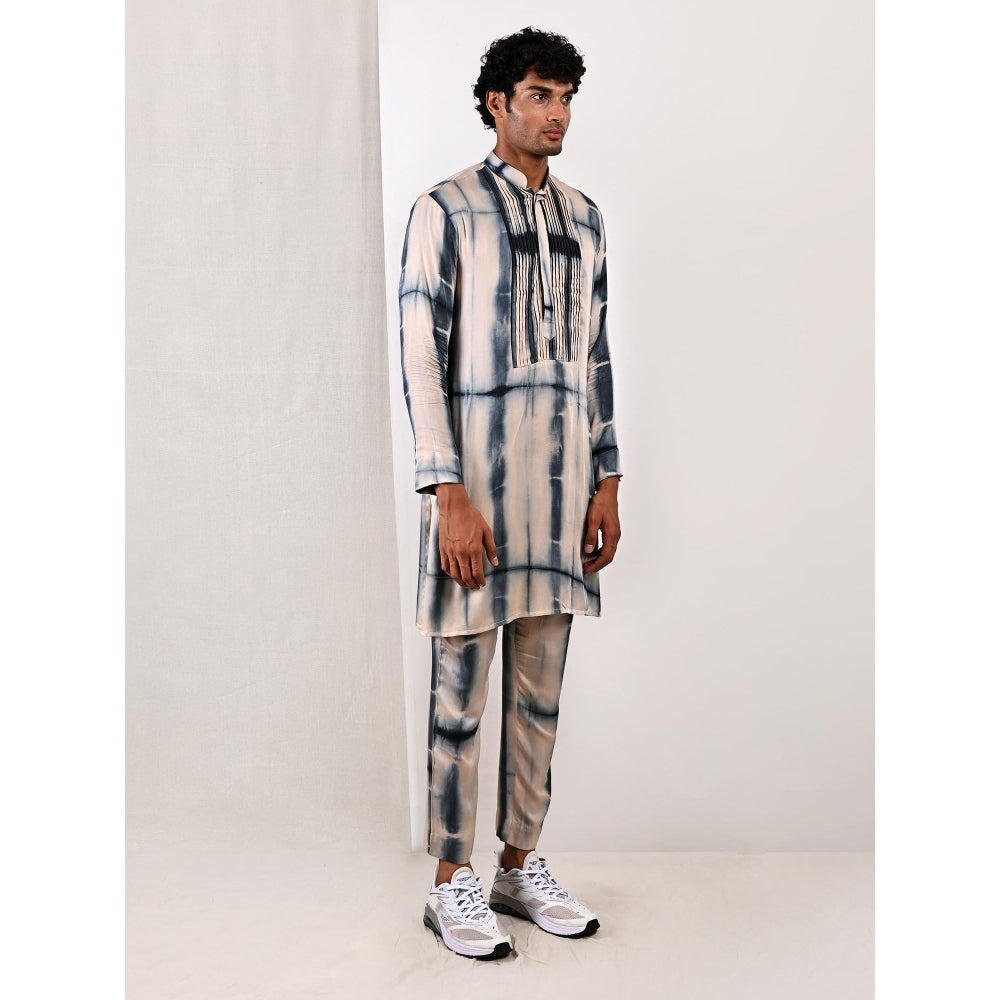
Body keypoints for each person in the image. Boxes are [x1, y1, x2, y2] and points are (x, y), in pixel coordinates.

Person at [399, 26, 623, 960]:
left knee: (540, 695)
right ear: (497, 102)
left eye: (566, 97)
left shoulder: (585, 218)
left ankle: (517, 866)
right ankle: (450, 883)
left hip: (562, 487)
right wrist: (444, 488)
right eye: (539, 94)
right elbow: (421, 355)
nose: (556, 113)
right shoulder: (446, 209)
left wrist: (609, 474)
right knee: (460, 692)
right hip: (478, 492)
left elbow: (596, 352)